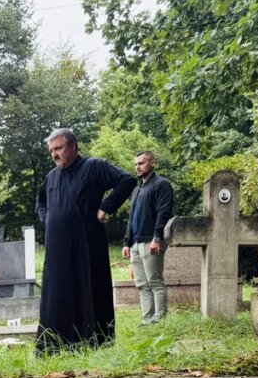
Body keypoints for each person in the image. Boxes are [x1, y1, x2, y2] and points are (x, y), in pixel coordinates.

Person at [35, 128, 136, 353]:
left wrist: (105, 207)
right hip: (57, 249)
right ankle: (55, 344)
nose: (54, 154)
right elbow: (40, 202)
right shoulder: (51, 177)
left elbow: (126, 181)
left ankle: (92, 342)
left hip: (87, 245)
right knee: (57, 293)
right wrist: (48, 218)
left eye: (58, 148)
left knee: (89, 288)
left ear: (73, 146)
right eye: (51, 150)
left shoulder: (94, 167)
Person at [122, 151, 174, 325]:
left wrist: (157, 237)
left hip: (151, 241)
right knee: (142, 284)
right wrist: (126, 242)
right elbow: (131, 218)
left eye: (141, 163)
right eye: (136, 164)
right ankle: (147, 320)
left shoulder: (162, 185)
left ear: (153, 163)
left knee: (155, 282)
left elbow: (163, 213)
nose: (137, 167)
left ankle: (159, 320)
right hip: (135, 244)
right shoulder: (137, 190)